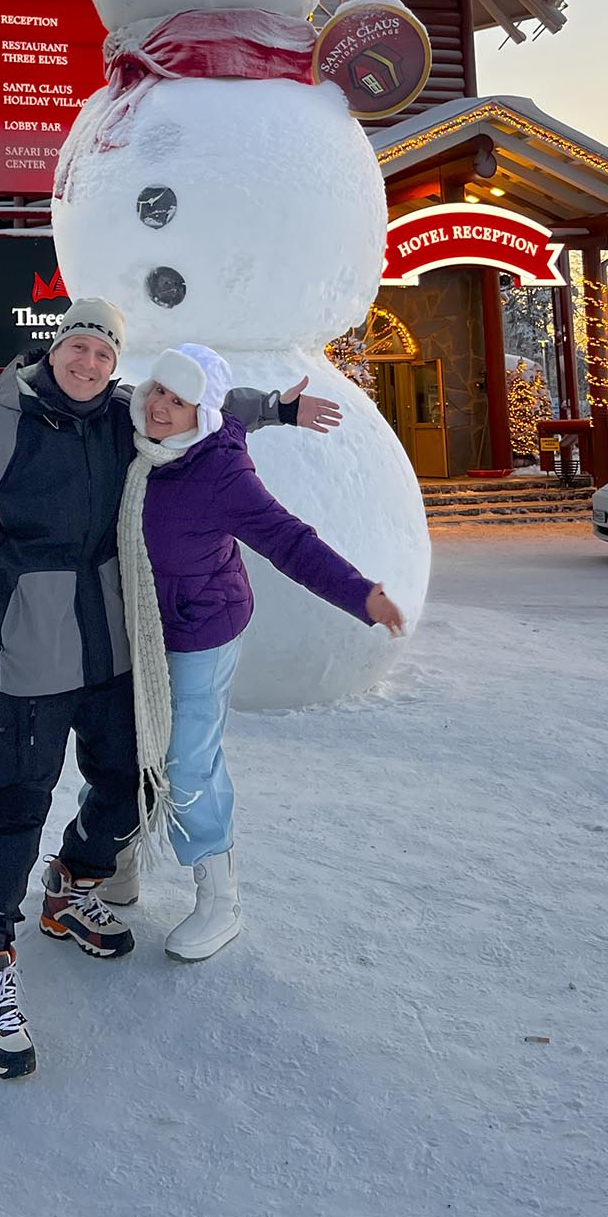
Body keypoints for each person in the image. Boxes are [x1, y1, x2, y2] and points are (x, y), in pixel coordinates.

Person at [0, 297, 339, 1081]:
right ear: (55, 350)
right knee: (17, 801)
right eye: (78, 347)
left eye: (104, 355)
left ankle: (72, 881)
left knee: (129, 781)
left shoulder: (122, 416)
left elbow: (195, 409)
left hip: (110, 633)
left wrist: (277, 406)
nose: (89, 364)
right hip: (30, 638)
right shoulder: (9, 421)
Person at [113, 344, 404, 963]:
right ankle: (115, 860)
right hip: (137, 621)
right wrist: (278, 405)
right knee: (124, 742)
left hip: (200, 627)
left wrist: (363, 595)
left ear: (202, 414)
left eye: (179, 400)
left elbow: (287, 540)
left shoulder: (221, 470)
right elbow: (236, 402)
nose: (161, 407)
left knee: (188, 762)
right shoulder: (128, 433)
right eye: (158, 390)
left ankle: (221, 900)